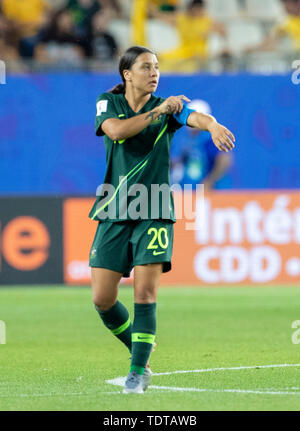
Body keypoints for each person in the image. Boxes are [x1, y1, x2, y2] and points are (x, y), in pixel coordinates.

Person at [89, 45, 235, 394]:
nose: (154, 73)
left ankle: (138, 371)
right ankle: (140, 344)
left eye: (156, 67)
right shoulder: (108, 103)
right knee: (102, 299)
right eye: (145, 67)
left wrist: (213, 125)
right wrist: (159, 112)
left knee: (145, 292)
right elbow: (117, 132)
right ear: (127, 74)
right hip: (114, 207)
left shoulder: (170, 106)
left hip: (154, 207)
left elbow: (193, 116)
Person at [170, 99, 232, 191]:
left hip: (207, 193)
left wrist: (209, 181)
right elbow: (184, 161)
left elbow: (225, 159)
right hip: (189, 191)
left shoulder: (209, 139)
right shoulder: (188, 139)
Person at [149, 0, 226, 71]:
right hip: (184, 51)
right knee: (160, 59)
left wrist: (223, 46)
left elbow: (223, 31)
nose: (197, 10)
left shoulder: (207, 21)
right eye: (195, 7)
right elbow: (161, 16)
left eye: (199, 8)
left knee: (187, 64)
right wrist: (151, 10)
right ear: (190, 8)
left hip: (198, 54)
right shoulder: (182, 19)